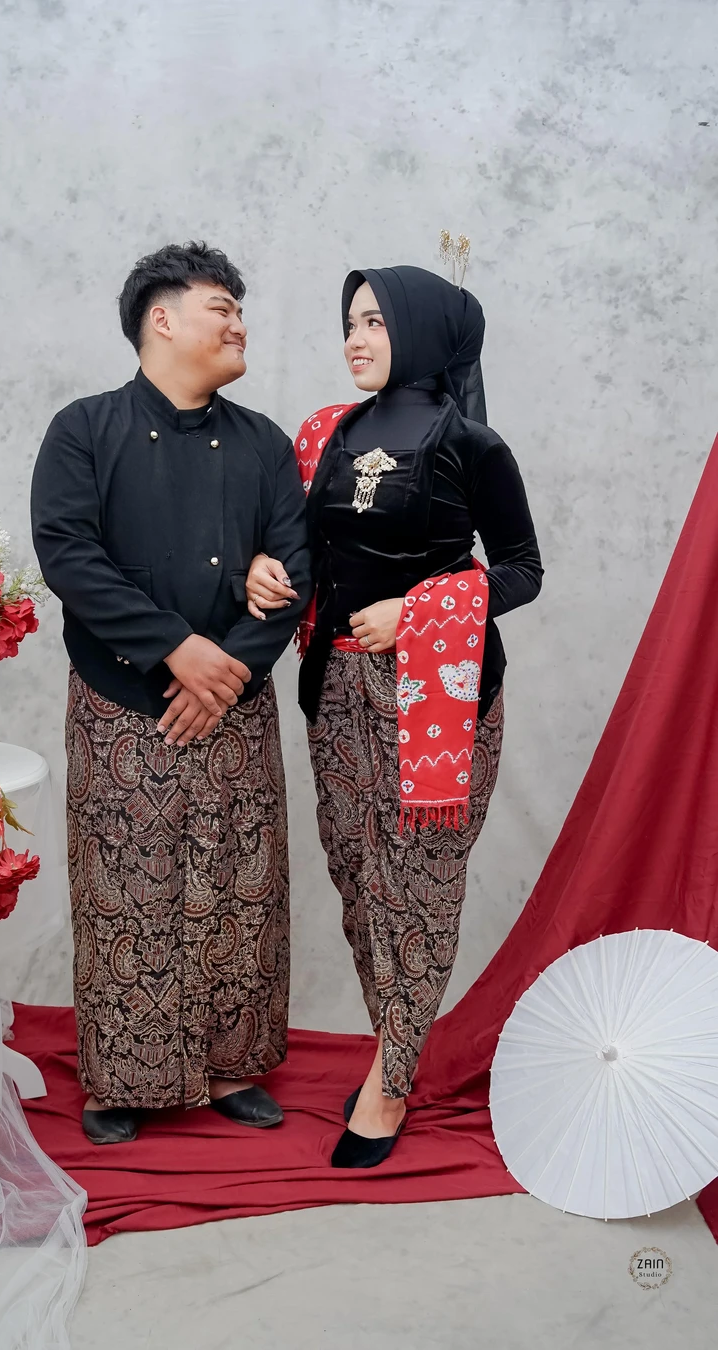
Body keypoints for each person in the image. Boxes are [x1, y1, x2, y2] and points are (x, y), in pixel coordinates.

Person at [246, 265, 542, 1167]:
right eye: (349, 322)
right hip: (336, 685)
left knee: (417, 886)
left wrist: (417, 615)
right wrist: (266, 568)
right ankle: (397, 1049)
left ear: (420, 329)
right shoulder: (328, 433)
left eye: (375, 321)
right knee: (357, 876)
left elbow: (523, 569)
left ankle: (389, 1082)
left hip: (438, 696)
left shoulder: (473, 444)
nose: (355, 338)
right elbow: (309, 551)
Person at [31, 241, 311, 1144]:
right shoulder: (85, 429)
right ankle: (122, 1077)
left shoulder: (264, 442)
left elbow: (295, 567)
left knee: (240, 885)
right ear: (162, 318)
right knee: (126, 887)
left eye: (240, 311)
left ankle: (231, 1067)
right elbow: (68, 555)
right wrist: (175, 649)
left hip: (235, 700)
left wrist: (227, 670)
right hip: (120, 699)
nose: (240, 325)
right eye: (222, 308)